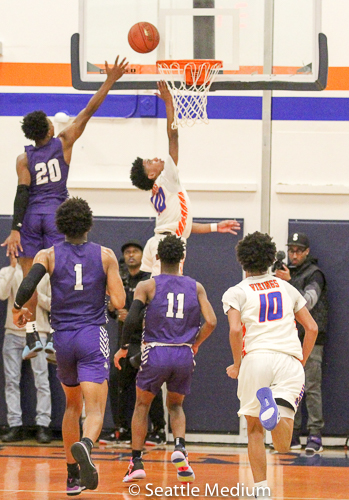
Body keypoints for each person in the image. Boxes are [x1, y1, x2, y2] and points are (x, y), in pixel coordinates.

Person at [2, 56, 129, 361]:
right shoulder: (64, 142)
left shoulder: (23, 159)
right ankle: (61, 335)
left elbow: (22, 193)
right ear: (48, 128)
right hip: (56, 215)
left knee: (30, 277)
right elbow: (88, 111)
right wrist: (110, 80)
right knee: (65, 274)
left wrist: (15, 229)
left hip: (30, 217)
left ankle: (32, 336)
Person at [12, 197, 126, 495]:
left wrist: (19, 307)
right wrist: (105, 285)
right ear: (88, 224)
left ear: (60, 225)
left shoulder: (47, 254)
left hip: (61, 338)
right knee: (95, 409)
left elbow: (28, 286)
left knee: (72, 407)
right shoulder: (105, 255)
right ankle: (85, 445)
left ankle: (72, 477)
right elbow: (119, 302)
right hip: (91, 335)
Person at [114, 235, 217, 483]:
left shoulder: (147, 286)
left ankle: (136, 463)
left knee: (142, 406)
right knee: (176, 406)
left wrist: (124, 347)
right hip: (183, 353)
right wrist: (195, 343)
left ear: (157, 257)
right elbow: (212, 321)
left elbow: (132, 318)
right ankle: (180, 449)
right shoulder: (196, 287)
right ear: (182, 258)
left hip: (156, 351)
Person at [223, 232, 318, 497]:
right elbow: (311, 328)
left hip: (256, 360)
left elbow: (235, 331)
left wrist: (237, 364)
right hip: (288, 361)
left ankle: (261, 489)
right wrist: (300, 360)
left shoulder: (236, 292)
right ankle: (273, 410)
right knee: (283, 445)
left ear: (242, 261)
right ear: (270, 260)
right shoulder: (287, 288)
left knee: (254, 431)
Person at [130, 80, 241, 276]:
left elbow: (184, 226)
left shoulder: (159, 192)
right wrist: (169, 103)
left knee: (156, 286)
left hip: (158, 241)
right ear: (151, 174)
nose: (156, 158)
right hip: (169, 244)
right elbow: (173, 137)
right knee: (168, 286)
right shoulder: (167, 179)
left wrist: (215, 227)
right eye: (150, 161)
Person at [101, 239, 166, 446]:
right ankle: (122, 429)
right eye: (127, 251)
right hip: (125, 342)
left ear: (143, 255)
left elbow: (155, 313)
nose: (131, 255)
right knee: (117, 380)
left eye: (135, 251)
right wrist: (113, 309)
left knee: (150, 383)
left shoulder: (148, 280)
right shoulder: (121, 280)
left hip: (146, 340)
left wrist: (130, 316)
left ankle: (159, 429)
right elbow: (115, 311)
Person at [275, 232, 328, 453]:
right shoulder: (284, 273)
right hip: (289, 339)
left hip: (311, 339)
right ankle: (292, 434)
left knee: (312, 387)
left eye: (298, 251)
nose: (294, 255)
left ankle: (315, 435)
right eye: (291, 250)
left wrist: (288, 282)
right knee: (289, 388)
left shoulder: (315, 274)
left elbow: (307, 302)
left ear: (307, 252)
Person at [0, 255, 52, 444]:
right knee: (11, 381)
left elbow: (52, 303)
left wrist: (34, 295)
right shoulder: (7, 271)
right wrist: (13, 269)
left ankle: (43, 425)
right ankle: (14, 425)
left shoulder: (44, 274)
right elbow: (2, 294)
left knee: (42, 380)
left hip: (39, 331)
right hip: (13, 332)